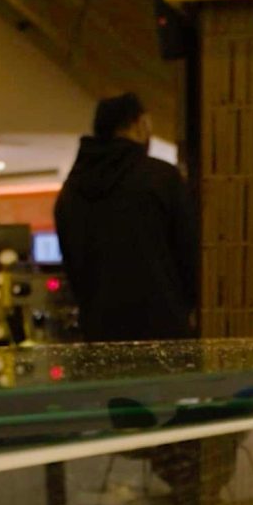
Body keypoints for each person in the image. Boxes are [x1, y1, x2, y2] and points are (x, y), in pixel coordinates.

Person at [54, 93, 197, 343]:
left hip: (100, 334)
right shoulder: (161, 178)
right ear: (139, 124)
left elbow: (73, 268)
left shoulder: (71, 191)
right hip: (163, 331)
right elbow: (188, 253)